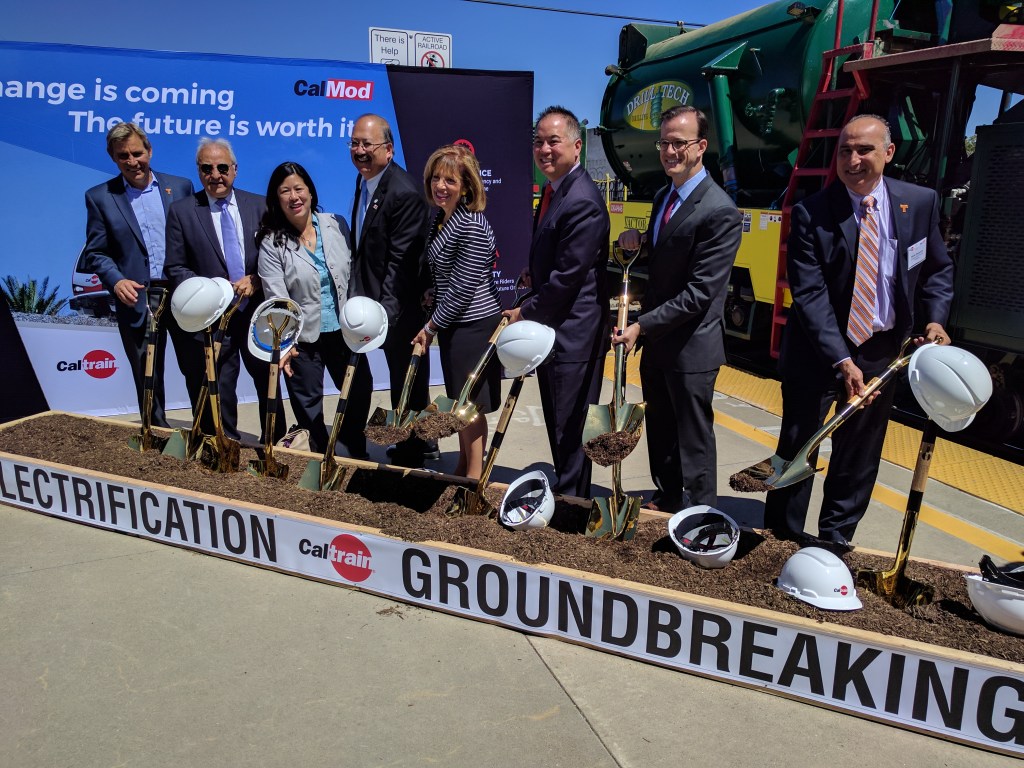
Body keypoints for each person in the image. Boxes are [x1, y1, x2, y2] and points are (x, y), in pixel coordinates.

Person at [763, 114, 954, 548]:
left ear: (888, 153)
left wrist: (935, 318)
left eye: (863, 150)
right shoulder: (813, 212)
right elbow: (809, 295)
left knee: (859, 453)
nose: (852, 159)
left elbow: (937, 271)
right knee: (799, 444)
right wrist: (841, 359)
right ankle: (780, 536)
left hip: (880, 351)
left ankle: (835, 540)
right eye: (844, 150)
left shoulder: (919, 204)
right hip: (818, 351)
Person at [614, 105, 742, 512]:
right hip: (659, 342)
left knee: (694, 437)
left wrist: (642, 326)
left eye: (678, 143)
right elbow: (668, 256)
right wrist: (640, 241)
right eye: (664, 142)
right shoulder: (663, 196)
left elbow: (701, 292)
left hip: (692, 346)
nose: (669, 151)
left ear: (701, 146)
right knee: (662, 428)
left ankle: (701, 513)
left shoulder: (719, 210)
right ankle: (667, 497)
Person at [504, 106, 609, 499]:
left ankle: (571, 508)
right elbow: (556, 259)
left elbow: (567, 279)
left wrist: (524, 311)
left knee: (571, 430)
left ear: (576, 145)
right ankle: (567, 494)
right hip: (557, 333)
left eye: (554, 141)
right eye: (539, 142)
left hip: (573, 337)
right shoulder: (555, 190)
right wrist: (534, 274)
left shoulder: (580, 199)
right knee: (560, 425)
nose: (544, 149)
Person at [164, 137, 285, 445]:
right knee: (221, 385)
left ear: (234, 169)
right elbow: (176, 268)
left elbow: (280, 256)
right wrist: (212, 292)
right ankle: (225, 443)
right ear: (198, 171)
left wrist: (257, 279)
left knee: (268, 382)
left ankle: (275, 445)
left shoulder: (260, 206)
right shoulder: (182, 211)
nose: (215, 174)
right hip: (215, 317)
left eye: (221, 167)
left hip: (257, 313)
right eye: (207, 168)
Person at [83, 122, 194, 427]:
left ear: (149, 151)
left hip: (183, 294)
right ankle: (155, 432)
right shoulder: (100, 197)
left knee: (196, 366)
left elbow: (196, 239)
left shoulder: (181, 187)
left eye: (137, 153)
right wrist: (116, 280)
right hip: (138, 299)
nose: (132, 162)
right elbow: (96, 252)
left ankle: (205, 431)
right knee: (147, 372)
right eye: (123, 156)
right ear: (113, 158)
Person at [257, 161, 366, 456]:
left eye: (299, 188)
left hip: (345, 333)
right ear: (276, 198)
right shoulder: (272, 243)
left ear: (310, 192)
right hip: (303, 341)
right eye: (285, 191)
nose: (294, 197)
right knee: (308, 407)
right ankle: (317, 459)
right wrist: (285, 345)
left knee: (358, 392)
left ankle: (356, 453)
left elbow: (353, 273)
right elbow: (276, 298)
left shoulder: (337, 224)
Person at [347, 113, 435, 467]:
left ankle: (417, 449)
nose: (359, 150)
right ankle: (411, 441)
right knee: (399, 380)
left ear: (389, 149)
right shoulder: (365, 180)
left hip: (399, 307)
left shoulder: (404, 192)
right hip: (374, 303)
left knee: (408, 380)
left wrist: (384, 317)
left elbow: (400, 263)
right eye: (354, 143)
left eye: (367, 144)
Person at [411, 146, 503, 479]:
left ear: (465, 186)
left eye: (449, 180)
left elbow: (465, 287)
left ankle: (474, 479)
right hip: (455, 325)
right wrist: (433, 293)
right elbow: (450, 277)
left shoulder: (473, 224)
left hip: (474, 326)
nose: (440, 185)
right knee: (460, 403)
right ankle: (464, 464)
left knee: (471, 406)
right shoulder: (440, 218)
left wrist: (432, 325)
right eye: (436, 177)